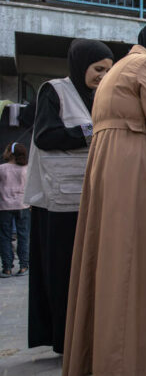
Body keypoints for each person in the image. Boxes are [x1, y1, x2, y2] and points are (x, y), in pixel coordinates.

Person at [63, 23, 146, 375]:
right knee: (131, 263)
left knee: (107, 259)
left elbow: (133, 124)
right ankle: (130, 364)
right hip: (131, 169)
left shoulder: (120, 68)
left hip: (110, 163)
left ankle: (102, 357)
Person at [25, 38, 114, 354]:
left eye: (108, 70)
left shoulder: (99, 97)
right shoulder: (55, 90)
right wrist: (92, 133)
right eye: (98, 69)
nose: (103, 76)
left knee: (87, 271)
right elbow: (46, 136)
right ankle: (66, 340)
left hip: (88, 195)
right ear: (81, 65)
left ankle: (87, 334)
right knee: (63, 271)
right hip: (59, 200)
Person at [0, 143, 29, 277]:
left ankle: (7, 268)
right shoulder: (26, 168)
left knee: (5, 237)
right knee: (23, 236)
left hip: (4, 206)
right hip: (23, 205)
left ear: (10, 153)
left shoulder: (2, 169)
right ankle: (23, 266)